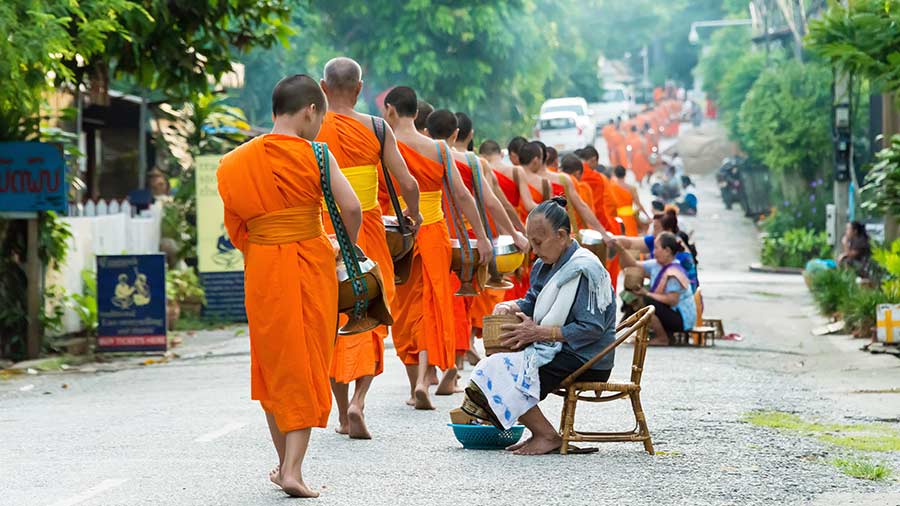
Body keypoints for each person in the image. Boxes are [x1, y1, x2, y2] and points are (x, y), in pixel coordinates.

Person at [217, 74, 362, 498]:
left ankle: (284, 465)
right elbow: (351, 206)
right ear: (310, 111)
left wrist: (266, 240)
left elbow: (236, 226)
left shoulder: (235, 161)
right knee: (307, 361)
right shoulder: (317, 154)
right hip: (310, 265)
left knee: (274, 362)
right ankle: (294, 469)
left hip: (262, 267)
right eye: (320, 118)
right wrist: (341, 247)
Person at [316, 57, 422, 440]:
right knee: (370, 312)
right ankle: (360, 400)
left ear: (322, 88)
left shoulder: (312, 130)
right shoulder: (377, 127)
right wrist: (413, 215)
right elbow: (407, 183)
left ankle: (343, 414)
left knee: (332, 316)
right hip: (371, 233)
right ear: (360, 89)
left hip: (324, 231)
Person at [459, 196, 616, 455]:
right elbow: (533, 300)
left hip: (587, 357)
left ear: (562, 235)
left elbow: (591, 329)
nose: (534, 249)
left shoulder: (585, 269)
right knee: (496, 362)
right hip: (559, 350)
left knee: (504, 369)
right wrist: (511, 306)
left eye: (538, 242)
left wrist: (538, 332)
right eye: (531, 242)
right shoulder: (545, 265)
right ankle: (542, 433)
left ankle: (546, 436)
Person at [382, 86, 493, 410]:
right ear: (417, 114)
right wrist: (483, 237)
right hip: (433, 232)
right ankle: (422, 383)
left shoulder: (385, 145)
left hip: (400, 232)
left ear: (390, 110)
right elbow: (461, 196)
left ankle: (413, 381)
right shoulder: (438, 149)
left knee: (405, 311)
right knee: (431, 305)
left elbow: (379, 194)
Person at [439, 111, 529, 374]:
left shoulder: (430, 157)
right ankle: (458, 353)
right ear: (466, 135)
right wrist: (516, 232)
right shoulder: (473, 163)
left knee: (439, 301)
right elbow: (494, 202)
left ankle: (430, 369)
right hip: (470, 241)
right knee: (466, 297)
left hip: (436, 236)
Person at [612, 232, 696, 346]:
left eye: (656, 248)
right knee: (640, 298)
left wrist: (646, 294)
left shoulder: (674, 272)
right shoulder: (657, 264)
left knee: (646, 302)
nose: (653, 251)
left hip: (681, 320)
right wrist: (621, 250)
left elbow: (672, 300)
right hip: (671, 313)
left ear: (667, 251)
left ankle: (662, 338)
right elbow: (633, 264)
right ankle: (663, 335)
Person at [610, 165, 651, 236]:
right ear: (625, 174)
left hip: (616, 217)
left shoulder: (611, 187)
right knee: (631, 239)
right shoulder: (631, 188)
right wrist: (647, 216)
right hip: (629, 217)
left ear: (614, 174)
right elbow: (638, 203)